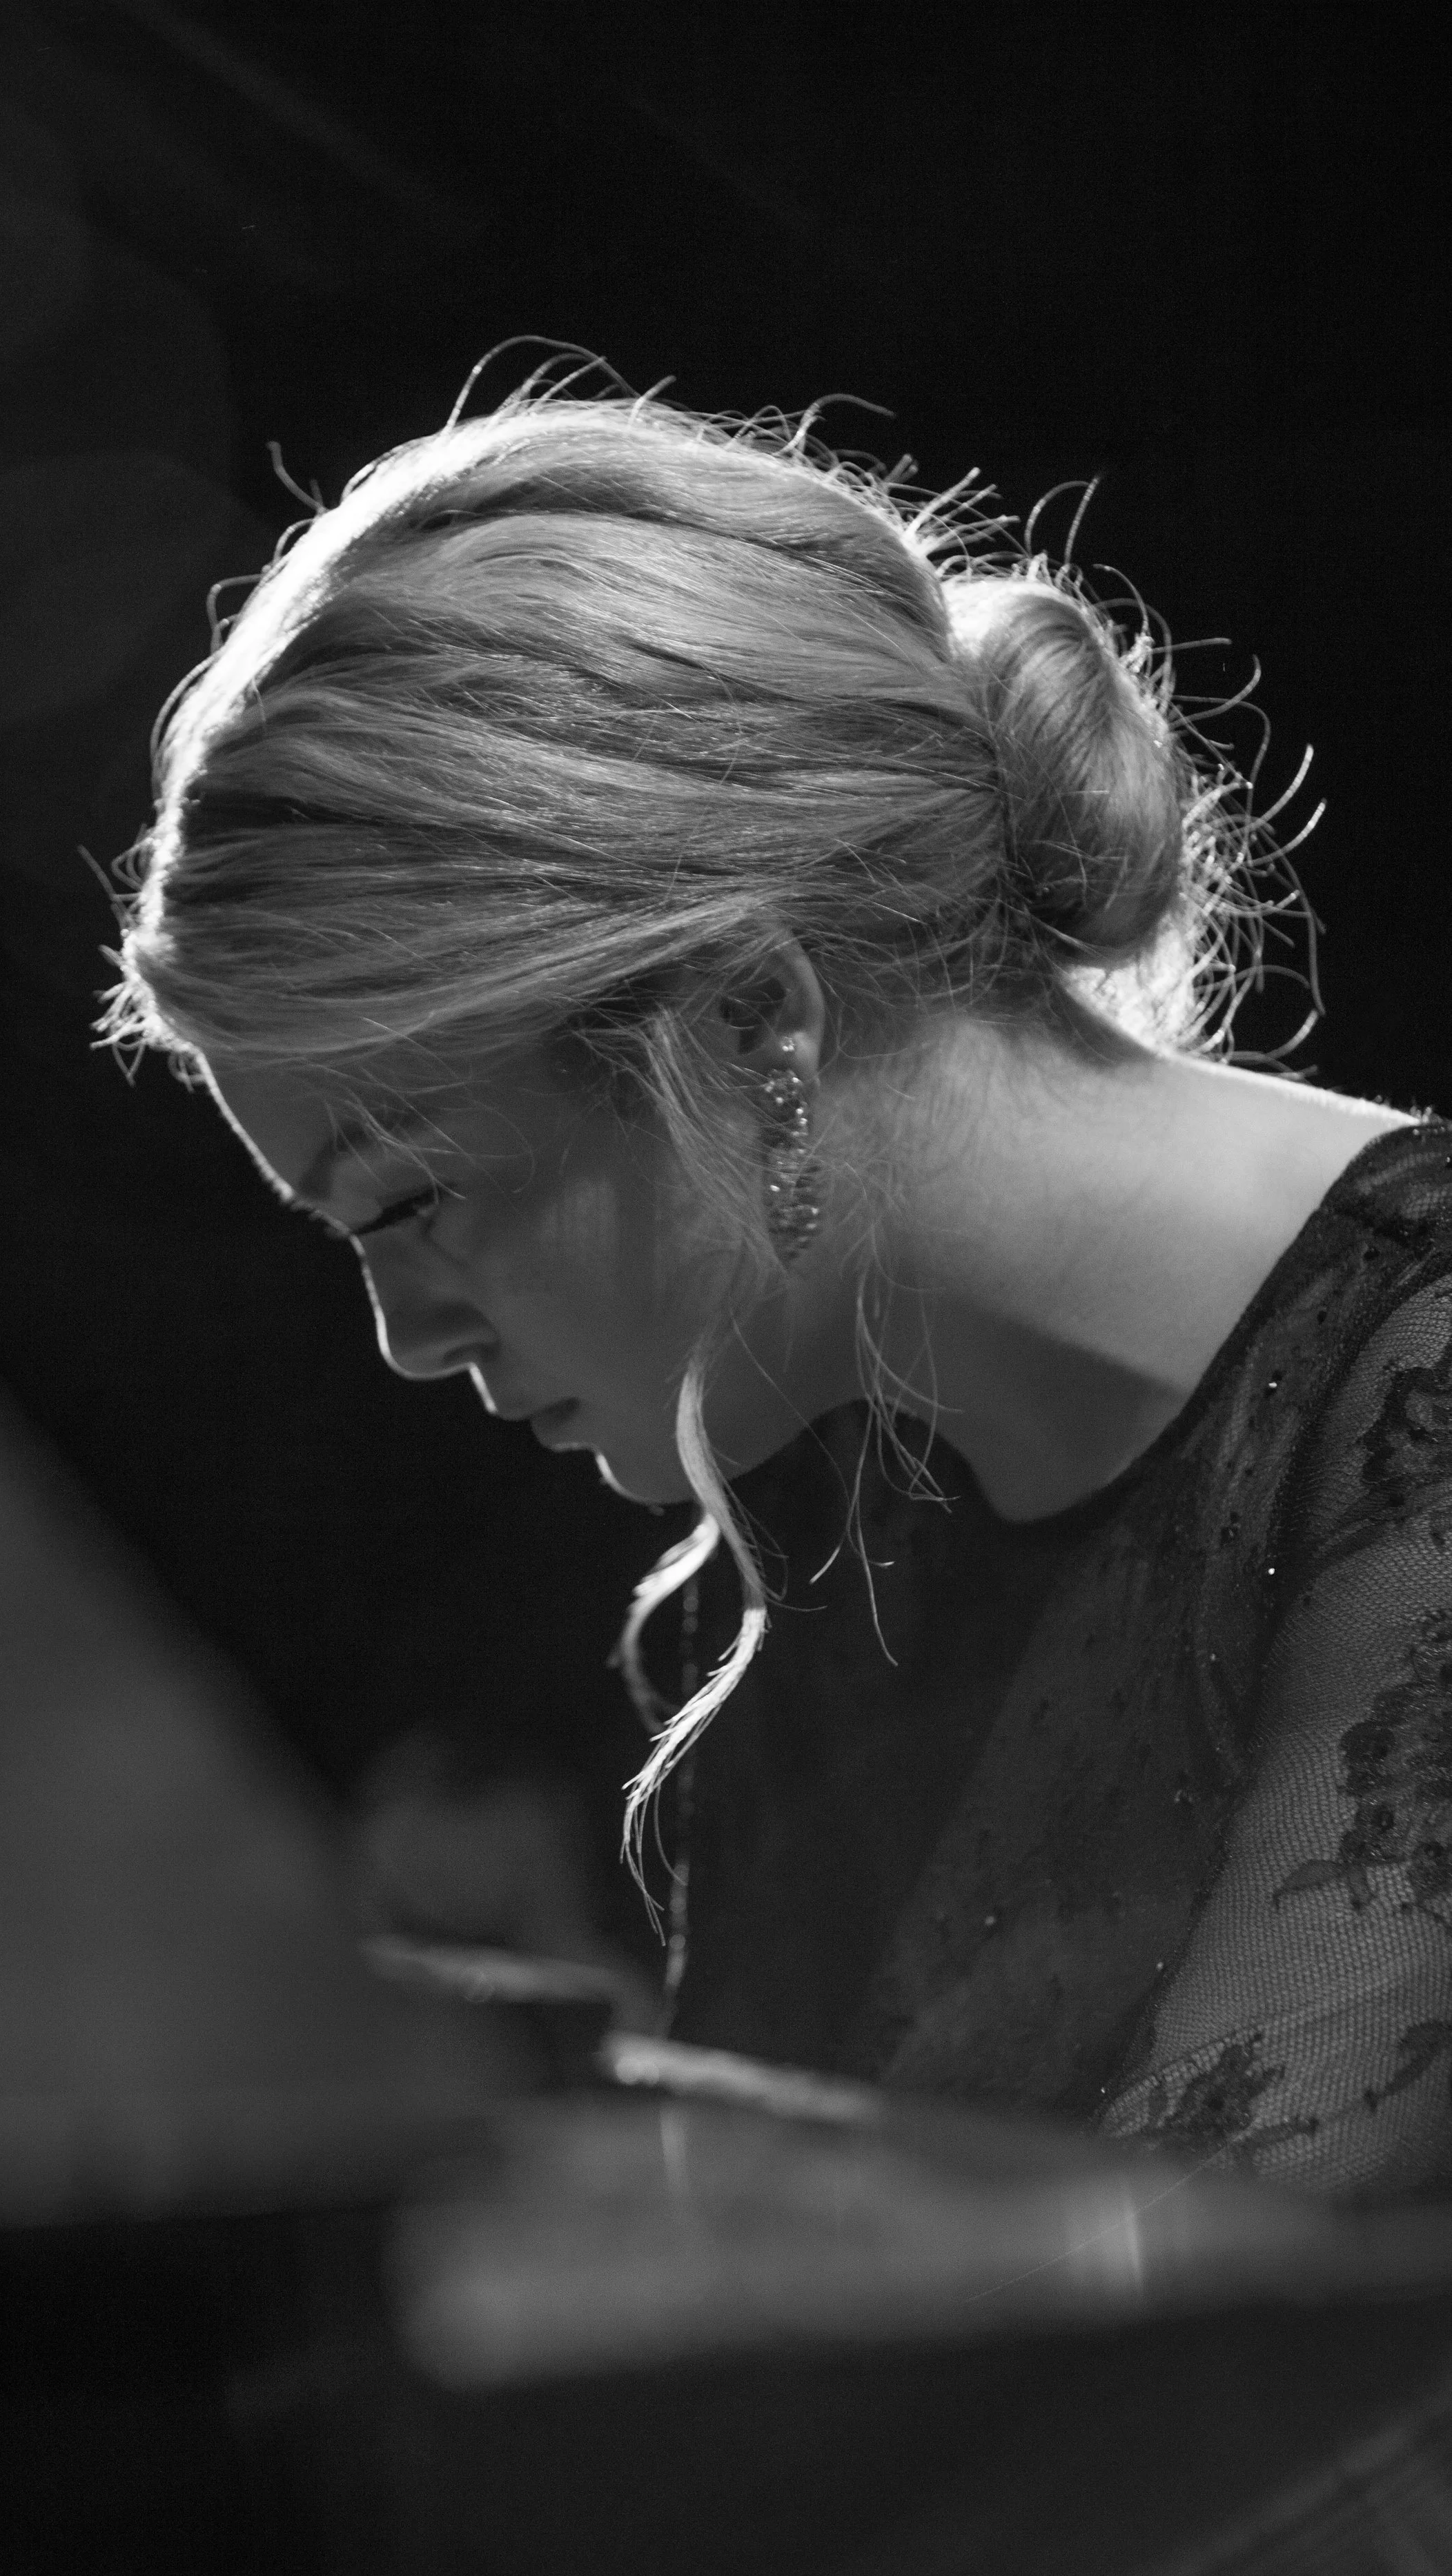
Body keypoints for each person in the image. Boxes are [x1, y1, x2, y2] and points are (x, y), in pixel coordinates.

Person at [104, 361, 1452, 2202]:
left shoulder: (1420, 1390)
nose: (406, 1341)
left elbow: (1198, 2368)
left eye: (407, 1203)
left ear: (751, 1021)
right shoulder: (814, 1574)